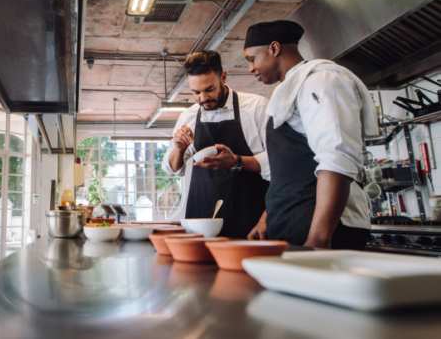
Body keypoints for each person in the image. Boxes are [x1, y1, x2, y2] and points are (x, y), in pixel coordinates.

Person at [244, 20, 378, 250]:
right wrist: (268, 217)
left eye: (251, 59)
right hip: (293, 223)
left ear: (274, 48)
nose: (251, 69)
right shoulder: (289, 91)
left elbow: (336, 158)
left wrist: (319, 238)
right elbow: (290, 167)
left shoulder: (323, 81)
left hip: (325, 229)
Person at [161, 50, 270, 239]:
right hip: (201, 217)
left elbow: (279, 162)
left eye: (209, 89)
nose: (203, 98)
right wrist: (179, 149)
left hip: (248, 216)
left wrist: (236, 161)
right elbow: (172, 168)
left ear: (224, 77)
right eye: (196, 92)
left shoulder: (256, 108)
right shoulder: (188, 116)